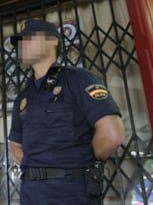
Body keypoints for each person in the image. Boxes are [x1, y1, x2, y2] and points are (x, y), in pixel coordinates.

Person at [8, 19, 125, 204]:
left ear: (53, 41)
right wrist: (39, 169)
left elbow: (112, 135)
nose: (22, 44)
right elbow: (15, 146)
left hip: (70, 191)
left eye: (29, 38)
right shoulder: (23, 97)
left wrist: (76, 161)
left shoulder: (78, 79)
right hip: (31, 193)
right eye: (20, 42)